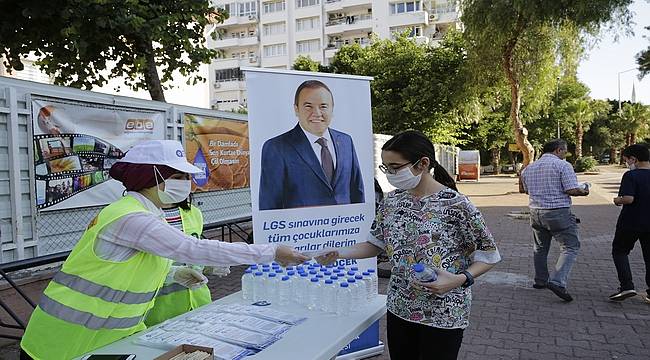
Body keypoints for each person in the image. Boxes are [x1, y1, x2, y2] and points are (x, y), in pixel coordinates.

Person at [20, 140, 308, 360]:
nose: (187, 184)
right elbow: (192, 248)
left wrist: (171, 275)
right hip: (63, 341)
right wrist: (271, 252)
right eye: (179, 177)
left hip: (110, 338)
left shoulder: (145, 213)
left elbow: (123, 267)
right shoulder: (130, 217)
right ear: (152, 176)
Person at [316, 130, 501, 360]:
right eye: (385, 168)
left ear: (422, 163)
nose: (390, 174)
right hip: (400, 308)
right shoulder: (392, 201)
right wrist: (339, 253)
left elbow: (488, 255)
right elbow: (375, 244)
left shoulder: (457, 205)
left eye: (395, 167)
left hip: (443, 313)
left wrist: (460, 279)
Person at [258, 79, 364, 210]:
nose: (317, 113)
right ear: (296, 109)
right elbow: (269, 204)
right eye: (308, 106)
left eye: (323, 106)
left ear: (332, 109)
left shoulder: (346, 141)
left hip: (344, 228)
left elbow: (357, 191)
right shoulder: (276, 147)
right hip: (300, 229)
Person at [519, 139, 589, 302]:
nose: (565, 154)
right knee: (570, 246)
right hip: (558, 212)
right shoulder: (563, 166)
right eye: (564, 151)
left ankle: (540, 280)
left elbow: (524, 190)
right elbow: (571, 189)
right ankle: (557, 281)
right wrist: (584, 191)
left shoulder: (529, 168)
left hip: (536, 212)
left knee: (540, 248)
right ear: (558, 150)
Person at [143, 195, 224, 327]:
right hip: (159, 311)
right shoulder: (140, 217)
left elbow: (193, 252)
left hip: (199, 304)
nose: (184, 182)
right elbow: (135, 267)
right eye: (176, 177)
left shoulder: (194, 212)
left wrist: (207, 265)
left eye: (186, 177)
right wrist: (172, 274)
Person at [608, 144, 650, 302]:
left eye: (626, 159)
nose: (627, 163)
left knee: (620, 251)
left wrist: (617, 200)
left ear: (634, 159)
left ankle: (627, 286)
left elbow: (628, 198)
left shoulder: (631, 176)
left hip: (631, 221)